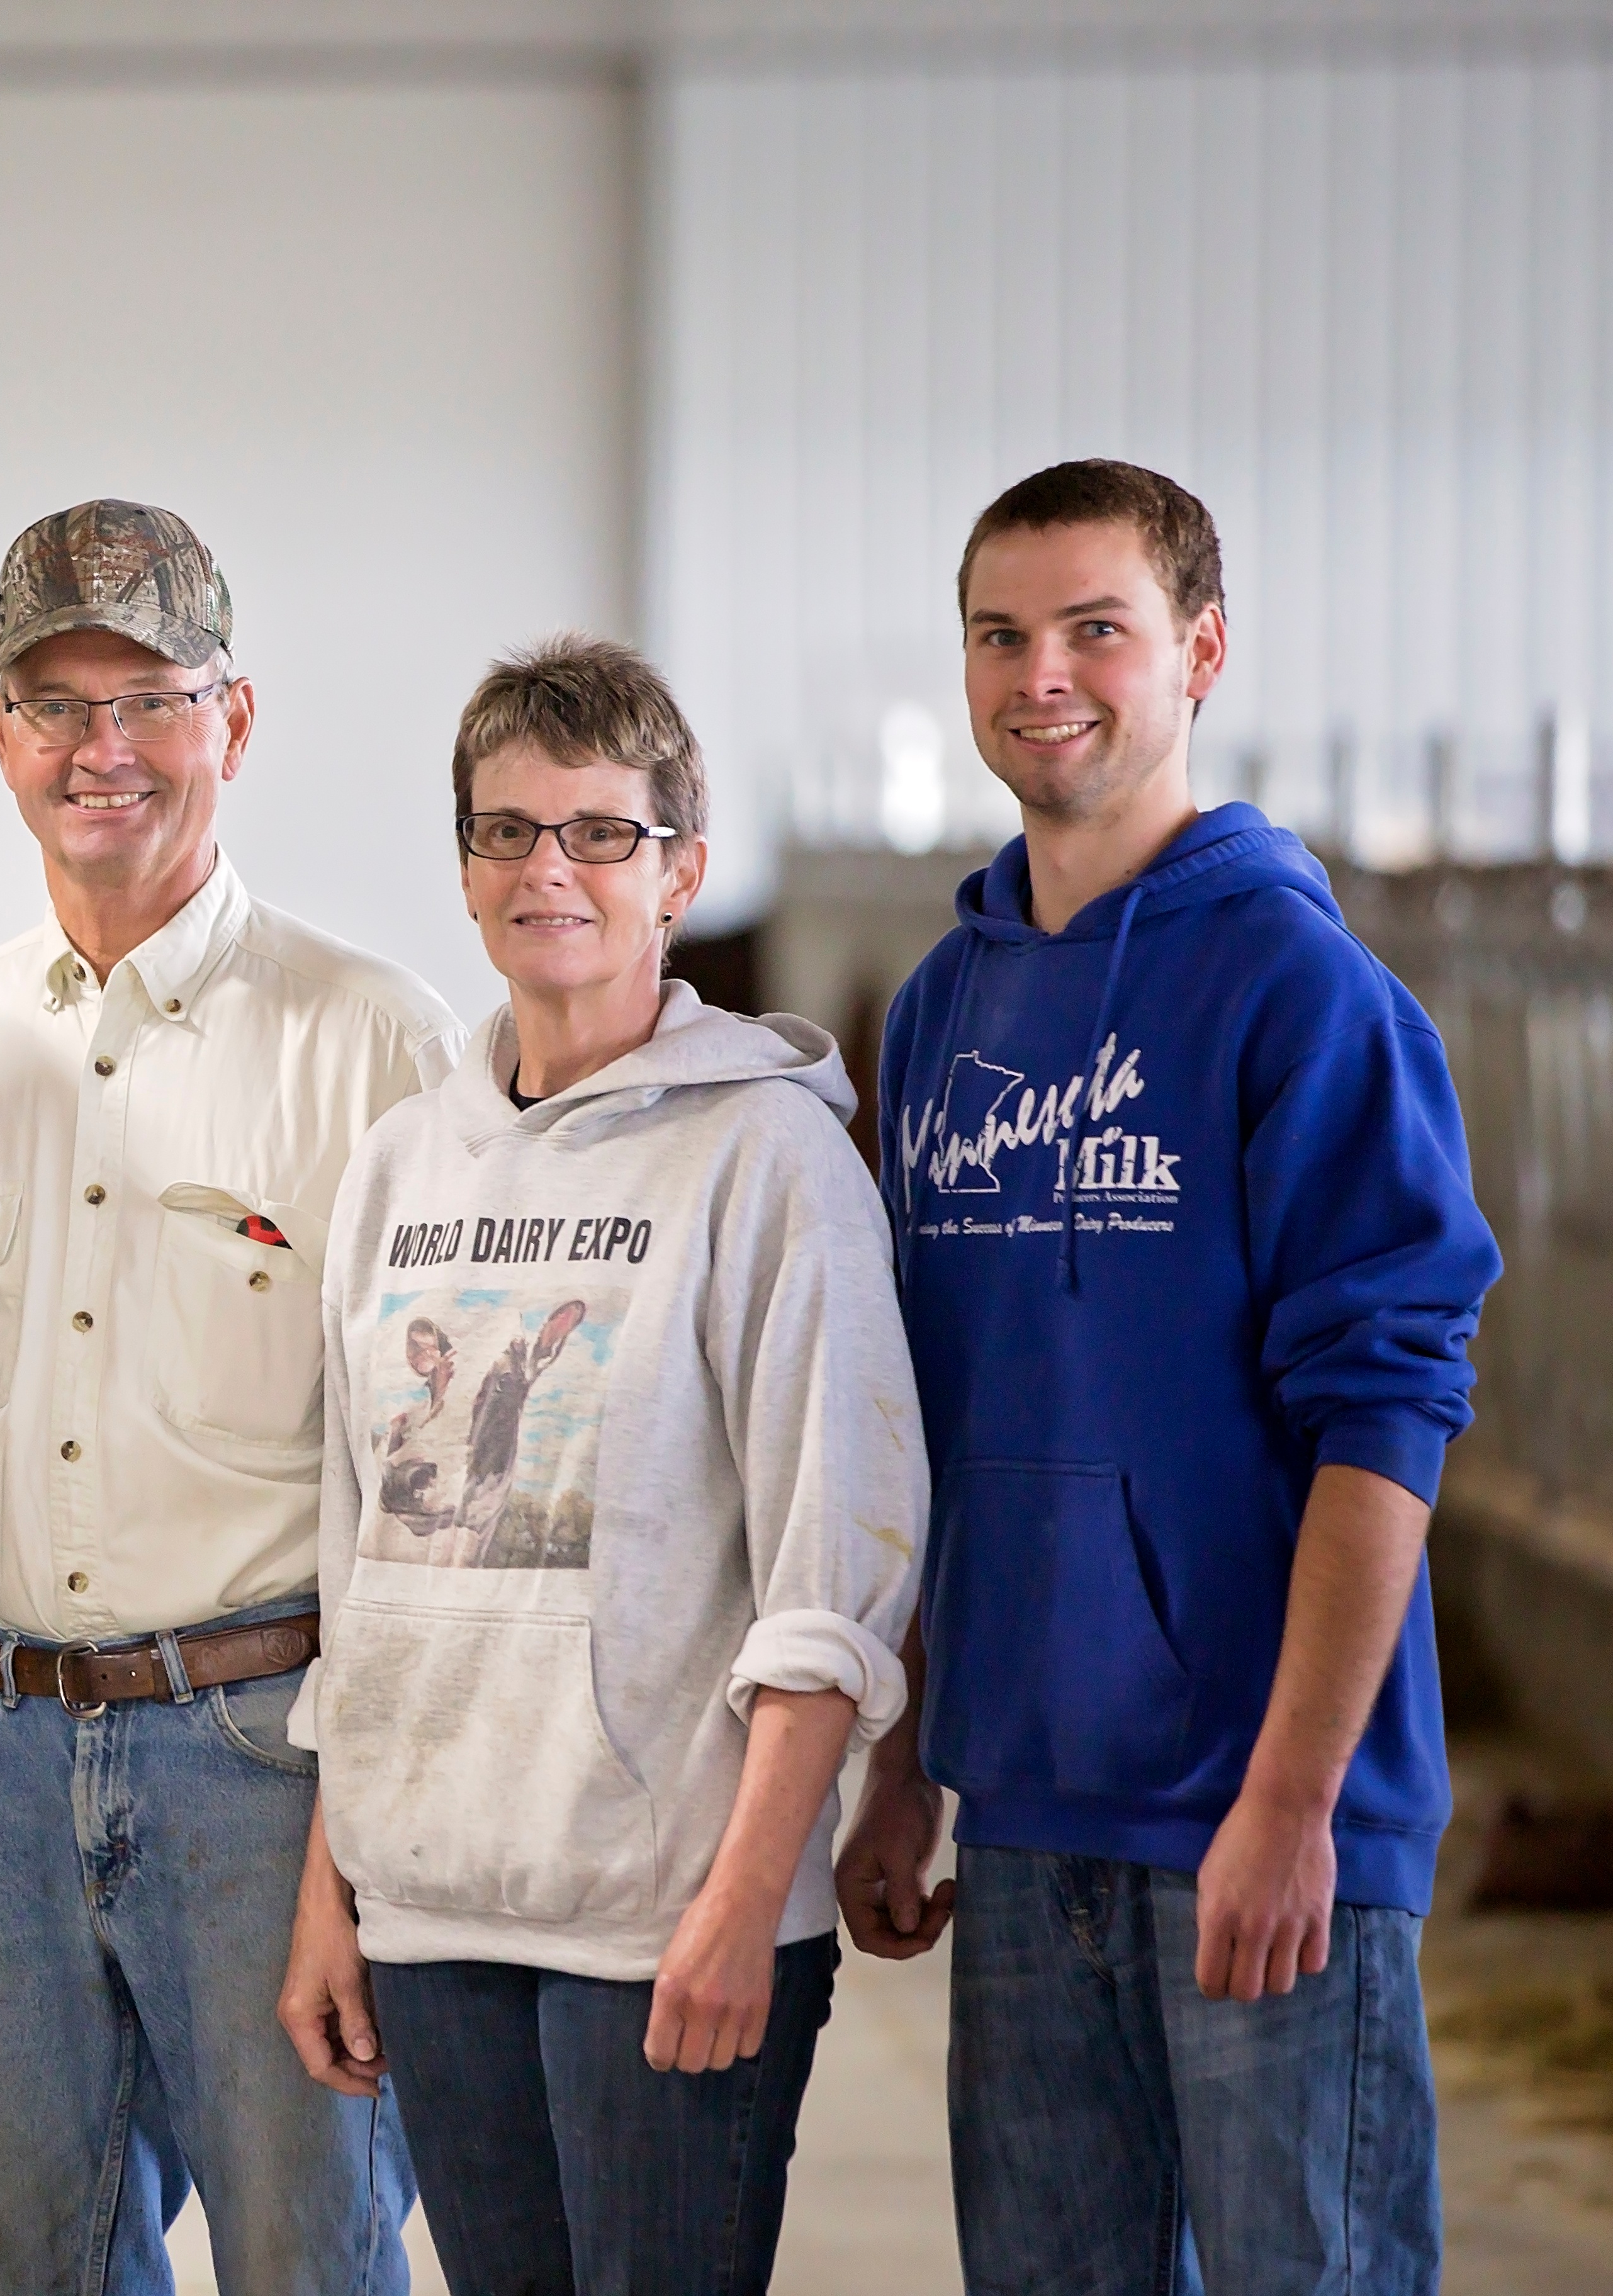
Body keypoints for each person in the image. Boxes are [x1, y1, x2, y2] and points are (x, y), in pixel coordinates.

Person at [836, 461, 1504, 2293]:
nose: (1041, 673)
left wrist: (1293, 1803)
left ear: (1200, 652)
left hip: (1259, 1821)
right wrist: (909, 1768)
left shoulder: (1305, 992)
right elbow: (936, 1427)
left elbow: (1387, 1425)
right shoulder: (945, 1008)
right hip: (1028, 1821)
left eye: (1095, 630)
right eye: (1000, 634)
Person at [0, 500, 455, 2290]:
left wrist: (362, 1862)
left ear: (233, 724)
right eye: (55, 702)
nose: (101, 749)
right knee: (38, 2264)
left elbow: (421, 1497)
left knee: (304, 2256)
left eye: (151, 698)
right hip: (14, 1764)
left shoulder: (373, 1044)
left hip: (268, 1769)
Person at [276, 637, 925, 2293]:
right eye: (505, 831)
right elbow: (358, 1563)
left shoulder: (767, 1156)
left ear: (681, 869)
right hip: (432, 1910)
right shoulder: (405, 1161)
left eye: (597, 832)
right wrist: (334, 1896)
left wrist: (739, 1903)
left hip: (662, 1918)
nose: (545, 868)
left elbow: (832, 1569)